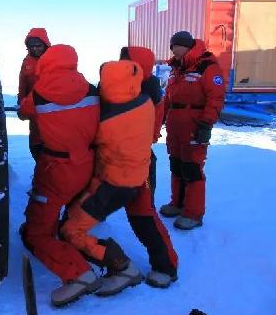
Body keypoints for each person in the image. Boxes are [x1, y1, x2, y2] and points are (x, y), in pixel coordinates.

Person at [60, 59, 154, 296]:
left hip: (113, 185)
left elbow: (84, 139)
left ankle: (122, 267)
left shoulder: (106, 121)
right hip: (131, 178)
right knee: (73, 213)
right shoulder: (145, 102)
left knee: (72, 230)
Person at [18, 44, 101, 307]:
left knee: (36, 232)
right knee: (69, 218)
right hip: (86, 163)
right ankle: (111, 261)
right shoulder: (90, 88)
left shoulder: (41, 91)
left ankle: (78, 274)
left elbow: (23, 112)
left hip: (56, 168)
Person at [119, 46, 178, 287]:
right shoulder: (118, 87)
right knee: (86, 205)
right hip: (112, 158)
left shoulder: (148, 92)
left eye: (126, 62)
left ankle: (167, 265)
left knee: (141, 213)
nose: (121, 65)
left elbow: (147, 132)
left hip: (138, 160)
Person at [159, 31, 225, 230]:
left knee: (192, 169)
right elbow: (167, 100)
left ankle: (194, 213)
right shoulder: (175, 69)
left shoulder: (207, 66)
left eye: (177, 49)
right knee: (176, 165)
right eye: (173, 50)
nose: (174, 53)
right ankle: (178, 204)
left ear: (187, 46)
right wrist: (158, 122)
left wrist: (206, 125)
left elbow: (216, 97)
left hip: (194, 124)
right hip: (175, 125)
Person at [17, 28, 51, 160]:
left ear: (45, 44)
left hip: (51, 106)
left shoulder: (53, 60)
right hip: (33, 106)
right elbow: (22, 83)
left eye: (39, 46)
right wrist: (21, 102)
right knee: (36, 142)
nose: (36, 49)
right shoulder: (27, 62)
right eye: (32, 46)